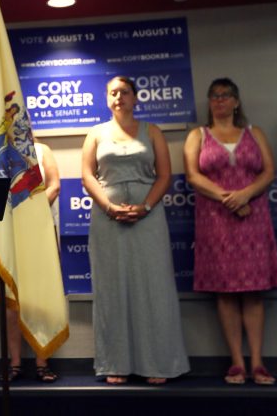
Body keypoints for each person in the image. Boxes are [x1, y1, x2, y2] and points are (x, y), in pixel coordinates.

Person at [81, 76, 189, 385]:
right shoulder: (95, 133)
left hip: (148, 218)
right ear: (107, 99)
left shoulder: (152, 131)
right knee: (112, 288)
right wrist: (109, 207)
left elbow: (164, 175)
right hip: (107, 219)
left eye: (125, 92)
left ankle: (160, 364)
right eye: (113, 93)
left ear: (135, 97)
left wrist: (146, 206)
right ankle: (115, 363)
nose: (119, 97)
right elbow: (87, 175)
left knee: (155, 287)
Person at [183, 78, 277, 385]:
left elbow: (268, 172)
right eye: (214, 96)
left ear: (236, 101)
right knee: (225, 291)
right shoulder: (198, 135)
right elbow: (193, 176)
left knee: (253, 291)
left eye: (226, 95)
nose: (220, 100)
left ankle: (258, 363)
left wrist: (245, 195)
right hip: (215, 222)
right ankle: (237, 363)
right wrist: (231, 200)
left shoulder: (255, 133)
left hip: (253, 219)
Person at [4, 140, 61, 382]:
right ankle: (15, 363)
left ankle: (42, 362)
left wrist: (33, 212)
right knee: (12, 301)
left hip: (40, 232)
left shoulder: (43, 150)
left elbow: (55, 186)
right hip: (11, 232)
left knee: (42, 297)